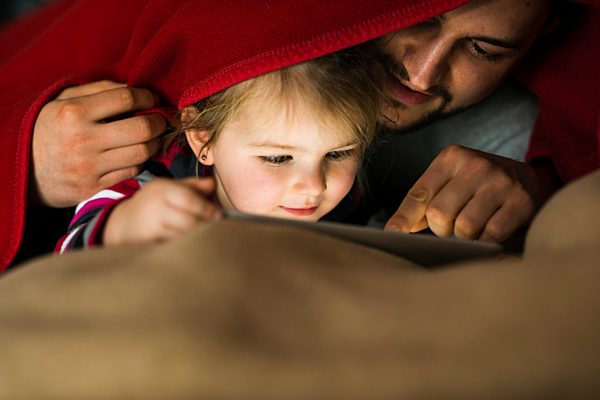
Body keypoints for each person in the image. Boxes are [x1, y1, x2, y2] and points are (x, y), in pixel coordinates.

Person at [56, 46, 384, 251]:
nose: (315, 186)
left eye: (338, 153)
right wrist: (124, 226)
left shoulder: (349, 202)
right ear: (203, 137)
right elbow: (67, 263)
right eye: (278, 157)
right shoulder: (152, 187)